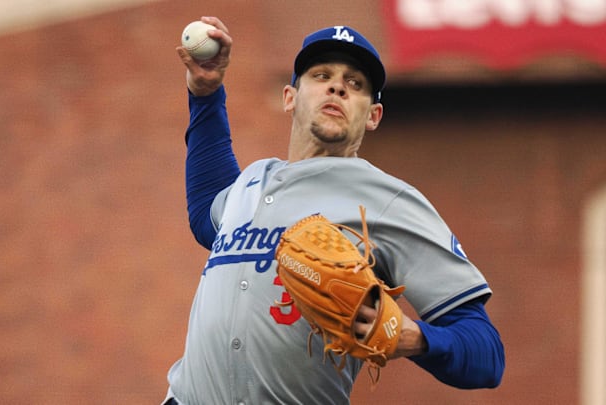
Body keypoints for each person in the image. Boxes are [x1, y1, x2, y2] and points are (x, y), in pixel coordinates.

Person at [165, 16, 505, 404]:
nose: (338, 86)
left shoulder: (388, 200)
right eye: (321, 74)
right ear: (290, 97)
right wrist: (206, 93)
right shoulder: (252, 182)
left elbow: (487, 354)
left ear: (373, 115)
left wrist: (414, 336)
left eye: (355, 83)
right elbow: (207, 210)